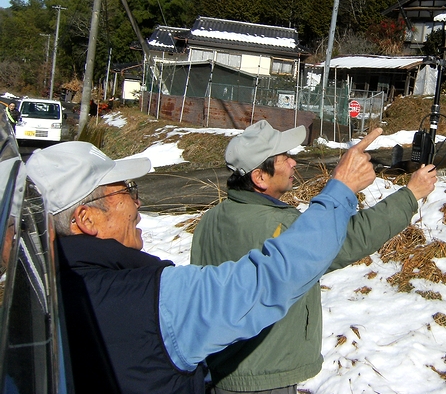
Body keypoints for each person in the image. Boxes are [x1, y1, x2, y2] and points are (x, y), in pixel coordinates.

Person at [25, 135, 380, 394]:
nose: (137, 201)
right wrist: (340, 189)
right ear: (86, 219)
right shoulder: (149, 300)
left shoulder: (37, 297)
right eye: (124, 191)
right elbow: (273, 277)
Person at [190, 120, 437, 394]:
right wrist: (411, 194)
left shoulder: (209, 220)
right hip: (265, 378)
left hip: (219, 370)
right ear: (260, 178)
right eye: (285, 158)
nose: (294, 163)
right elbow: (350, 238)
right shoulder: (280, 226)